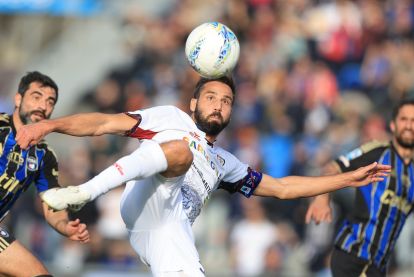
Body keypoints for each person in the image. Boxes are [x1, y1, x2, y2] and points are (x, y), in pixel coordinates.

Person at [16, 76, 390, 276]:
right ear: (194, 103)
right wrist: (50, 126)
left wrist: (347, 179)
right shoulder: (168, 117)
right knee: (179, 149)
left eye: (226, 101)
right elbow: (102, 124)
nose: (219, 105)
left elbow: (283, 187)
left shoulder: (225, 161)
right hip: (143, 199)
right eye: (211, 97)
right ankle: (84, 191)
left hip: (170, 228)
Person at [305, 98, 414, 277]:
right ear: (393, 125)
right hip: (353, 254)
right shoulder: (377, 152)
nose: (409, 126)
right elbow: (333, 167)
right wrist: (322, 198)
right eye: (404, 119)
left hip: (379, 265)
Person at [0, 71, 90, 277]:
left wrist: (66, 227)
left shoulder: (45, 156)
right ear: (18, 98)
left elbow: (52, 205)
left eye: (50, 102)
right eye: (36, 97)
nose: (43, 106)